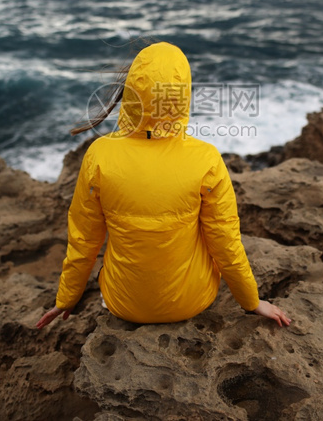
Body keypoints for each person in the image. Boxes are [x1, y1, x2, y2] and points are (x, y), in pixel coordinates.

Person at [36, 42, 291, 329]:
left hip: (123, 304)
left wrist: (66, 299)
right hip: (192, 302)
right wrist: (252, 302)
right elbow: (225, 242)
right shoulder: (205, 158)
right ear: (182, 95)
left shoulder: (99, 154)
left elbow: (83, 240)